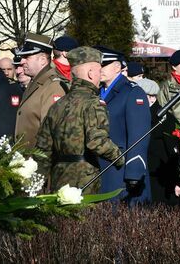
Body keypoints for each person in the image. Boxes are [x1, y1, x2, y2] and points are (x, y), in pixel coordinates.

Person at [36, 47, 124, 193]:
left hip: (59, 178)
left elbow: (42, 150)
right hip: (84, 179)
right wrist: (119, 157)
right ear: (90, 73)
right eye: (98, 70)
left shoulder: (58, 105)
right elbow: (96, 142)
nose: (100, 74)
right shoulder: (93, 103)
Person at [96, 46, 152, 205]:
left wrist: (134, 171)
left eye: (104, 65)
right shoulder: (97, 92)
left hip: (122, 169)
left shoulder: (132, 92)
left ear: (117, 67)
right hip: (101, 167)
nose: (100, 69)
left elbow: (138, 134)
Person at [15, 33, 66, 149]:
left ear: (43, 60)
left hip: (39, 162)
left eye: (26, 57)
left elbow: (51, 132)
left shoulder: (53, 86)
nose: (22, 61)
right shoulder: (36, 82)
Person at [136, 78, 180, 206]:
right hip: (143, 173)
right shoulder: (139, 116)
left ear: (152, 98)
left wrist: (176, 179)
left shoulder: (164, 118)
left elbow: (172, 151)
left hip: (159, 175)